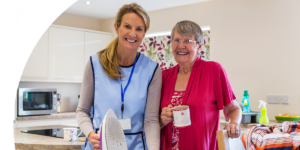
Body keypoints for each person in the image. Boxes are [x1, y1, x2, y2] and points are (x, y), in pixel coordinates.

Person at [76, 3, 161, 150]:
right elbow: (82, 111)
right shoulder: (94, 64)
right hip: (101, 146)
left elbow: (151, 120)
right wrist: (90, 134)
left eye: (139, 29)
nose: (133, 34)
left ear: (144, 33)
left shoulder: (152, 70)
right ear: (117, 27)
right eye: (127, 26)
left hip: (137, 146)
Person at [159, 20, 242, 150]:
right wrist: (161, 119)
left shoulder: (214, 70)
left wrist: (234, 123)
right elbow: (151, 122)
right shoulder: (163, 76)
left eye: (187, 41)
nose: (181, 45)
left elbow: (233, 109)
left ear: (199, 46)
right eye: (177, 40)